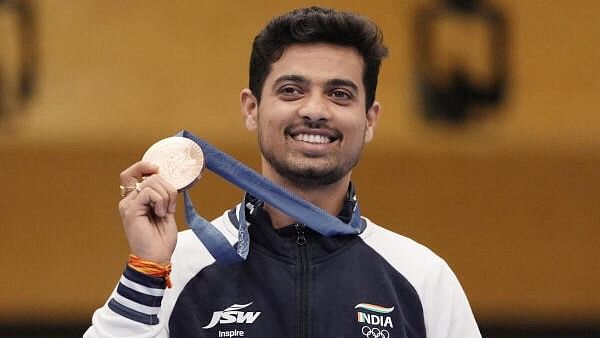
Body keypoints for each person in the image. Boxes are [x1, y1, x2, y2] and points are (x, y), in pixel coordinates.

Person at [85, 6, 481, 338]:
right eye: (291, 90)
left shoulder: (421, 277)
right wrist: (148, 268)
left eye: (340, 94)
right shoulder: (179, 265)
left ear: (370, 119)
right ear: (251, 108)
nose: (314, 110)